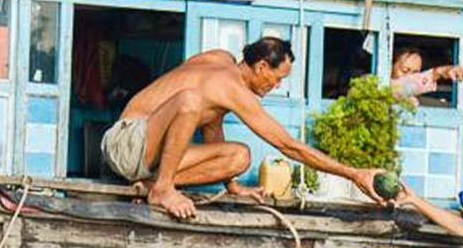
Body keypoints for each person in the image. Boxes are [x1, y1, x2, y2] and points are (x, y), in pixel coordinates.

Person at [101, 37, 384, 220]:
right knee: (189, 100)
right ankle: (163, 188)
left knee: (239, 158)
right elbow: (289, 146)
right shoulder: (234, 89)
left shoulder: (221, 59)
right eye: (278, 77)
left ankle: (150, 185)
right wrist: (353, 174)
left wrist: (232, 185)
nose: (277, 86)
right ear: (261, 67)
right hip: (126, 141)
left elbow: (211, 124)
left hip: (143, 154)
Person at [389, 48, 463, 106]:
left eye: (415, 73)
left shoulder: (413, 103)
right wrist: (439, 72)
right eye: (404, 71)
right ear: (390, 66)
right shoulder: (383, 86)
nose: (410, 77)